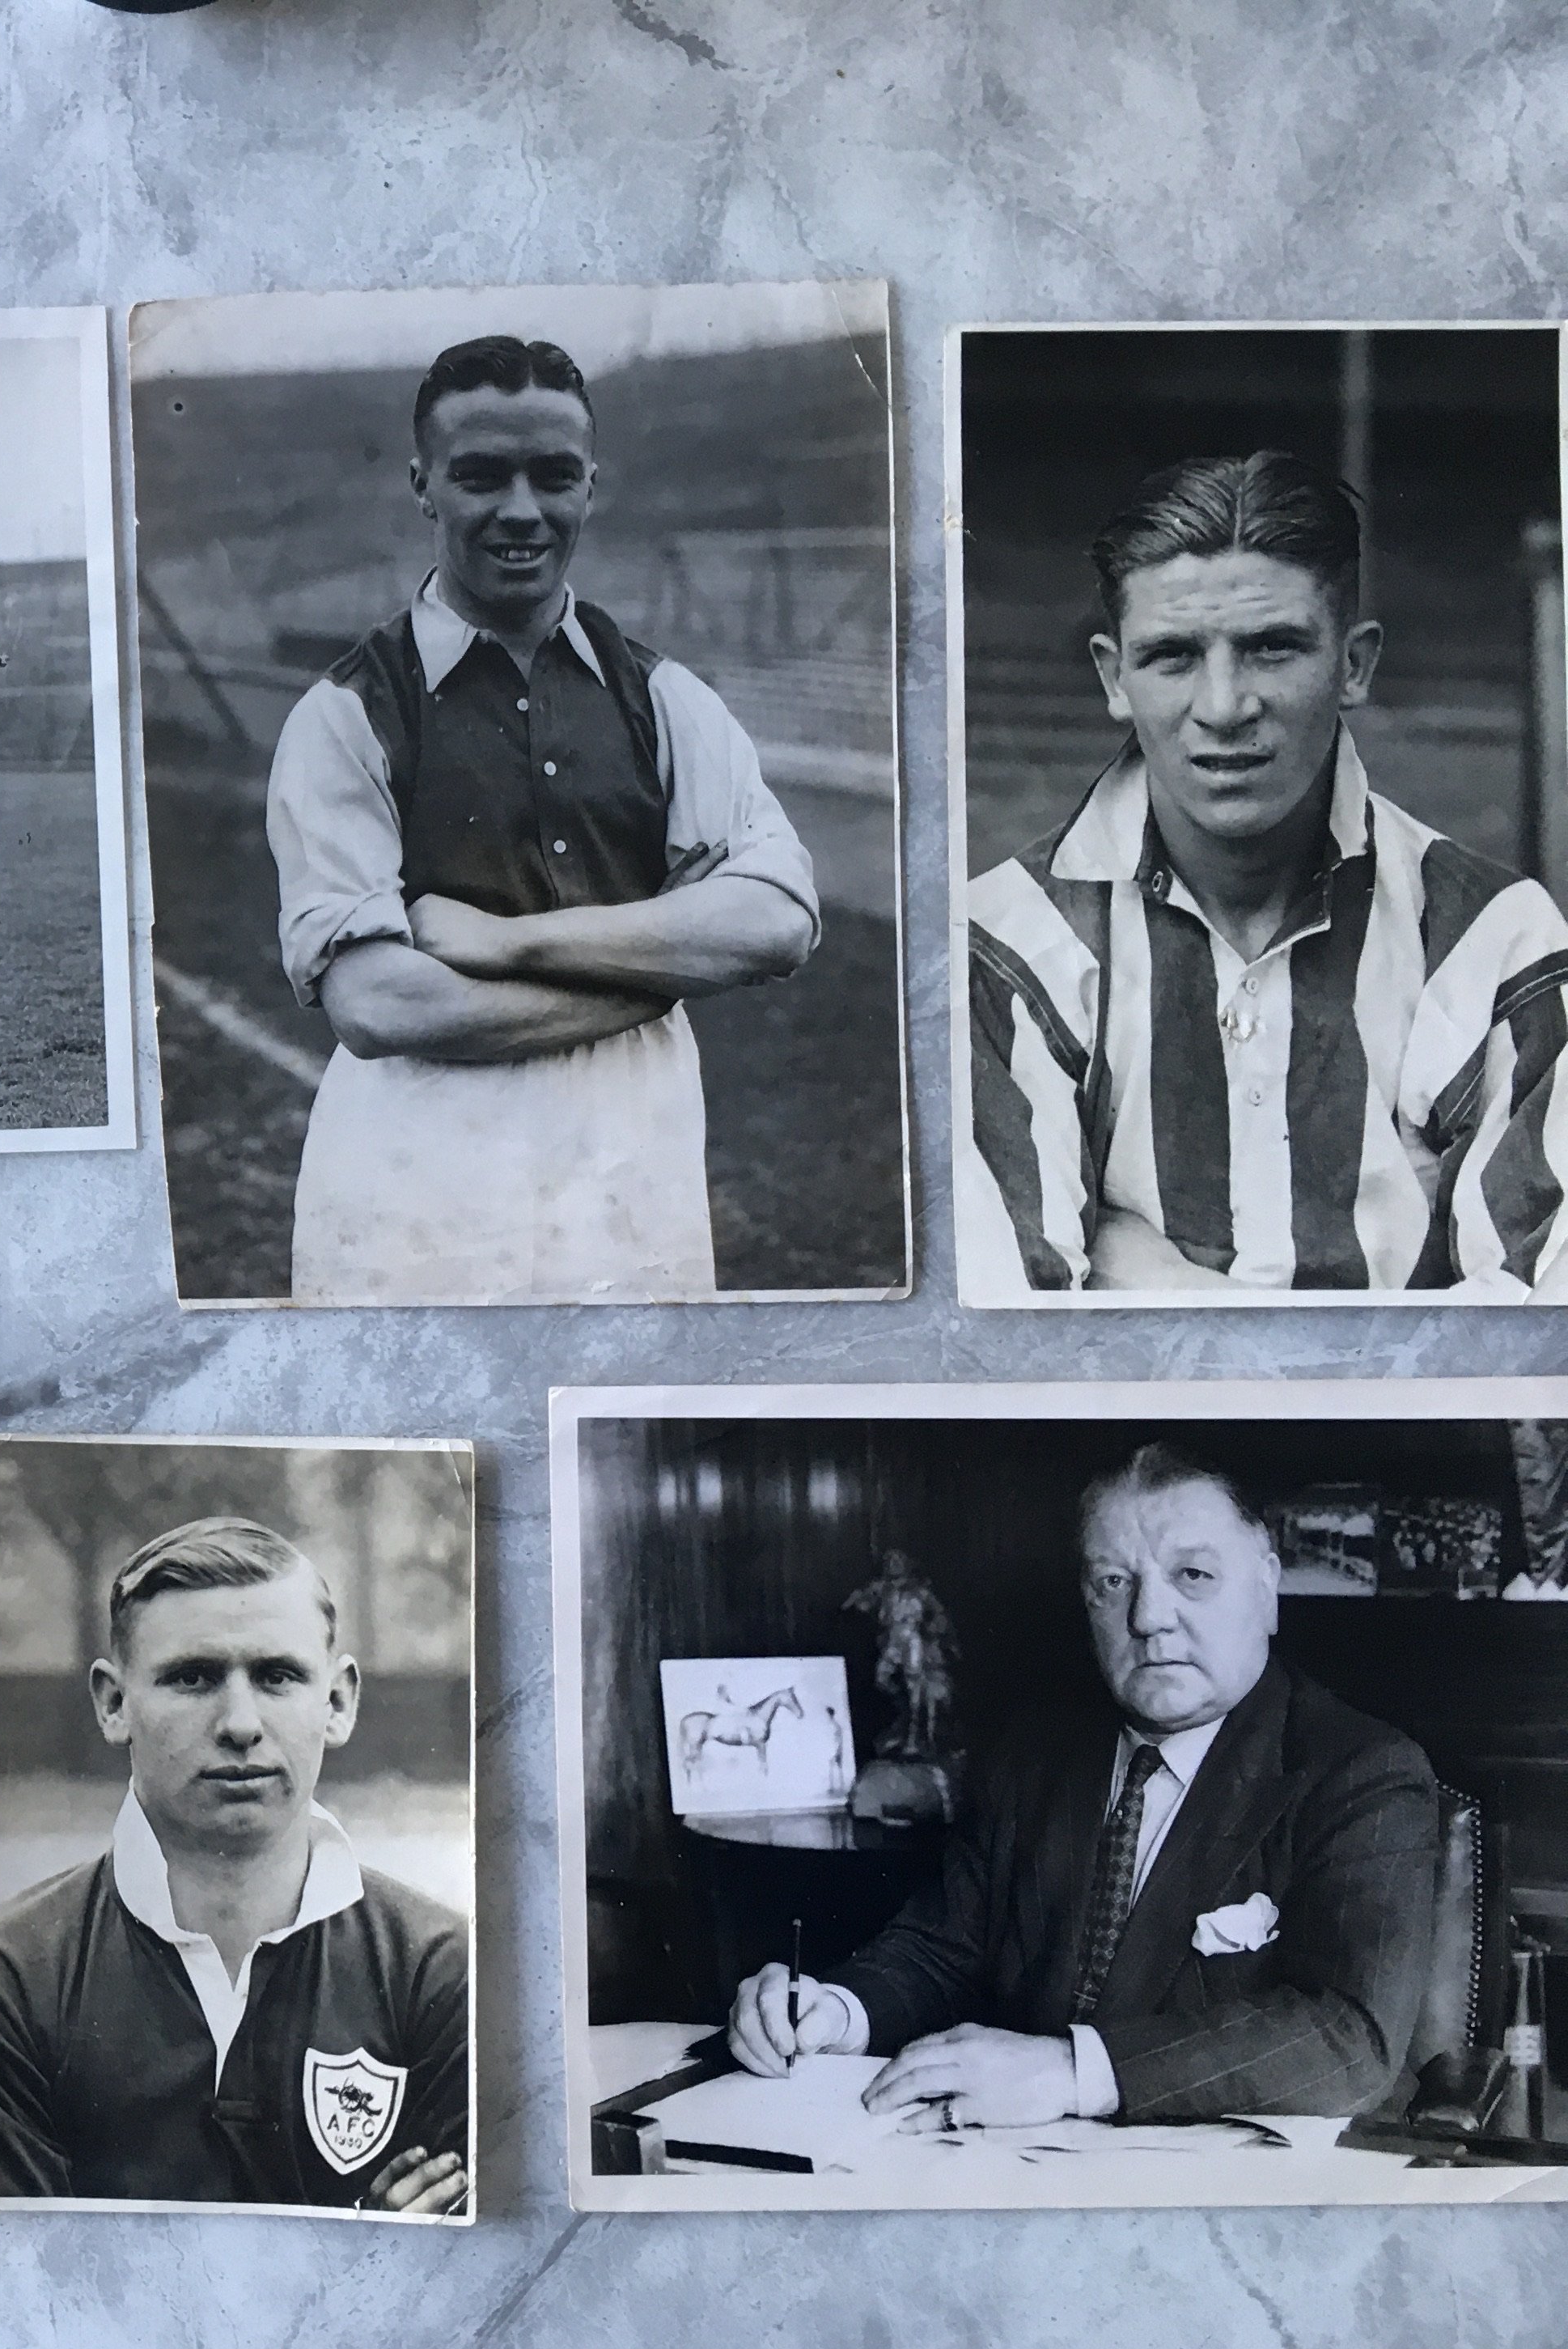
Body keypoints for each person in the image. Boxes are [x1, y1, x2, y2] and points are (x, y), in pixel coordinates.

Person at [262, 337, 821, 1302]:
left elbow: (779, 918)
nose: (521, 510)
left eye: (553, 476)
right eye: (481, 476)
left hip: (633, 1180)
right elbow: (377, 1004)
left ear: (591, 486)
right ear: (422, 484)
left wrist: (508, 942)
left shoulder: (665, 697)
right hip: (413, 1194)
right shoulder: (344, 715)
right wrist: (646, 984)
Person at [964, 449, 1568, 1296]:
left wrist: (1149, 1275)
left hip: (1414, 1438)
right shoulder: (1004, 946)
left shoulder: (1495, 939)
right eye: (1173, 656)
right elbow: (1006, 1331)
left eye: (1272, 649)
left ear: (1354, 665)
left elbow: (1537, 1341)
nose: (1223, 706)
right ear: (1113, 677)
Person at [726, 1444, 1441, 2127]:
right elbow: (940, 1950)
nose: (1150, 1619)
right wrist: (833, 2010)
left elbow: (1351, 2039)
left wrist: (1069, 2072)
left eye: (1193, 1576)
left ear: (1266, 1586)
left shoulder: (1361, 1771)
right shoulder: (1032, 1757)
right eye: (1113, 1582)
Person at [0, 1518, 471, 2212]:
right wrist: (363, 2244)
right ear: (115, 1704)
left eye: (278, 1675)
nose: (239, 1723)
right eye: (193, 1677)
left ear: (338, 1702)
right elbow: (29, 2288)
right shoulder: (4, 1979)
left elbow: (461, 2286)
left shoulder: (440, 1971)